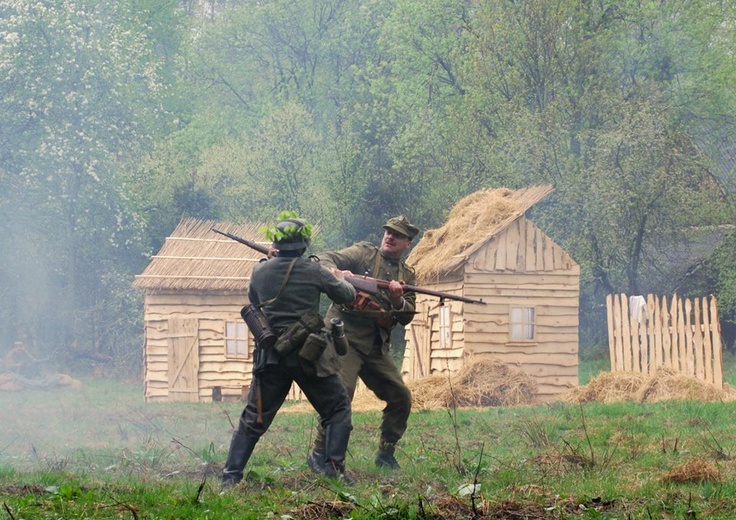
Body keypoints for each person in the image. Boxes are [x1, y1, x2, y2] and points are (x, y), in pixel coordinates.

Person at [221, 212, 357, 487]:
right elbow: (347, 296)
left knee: (254, 418)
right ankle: (333, 471)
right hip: (311, 354)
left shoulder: (260, 270)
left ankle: (230, 477)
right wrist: (340, 278)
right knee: (337, 409)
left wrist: (271, 264)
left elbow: (254, 298)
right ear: (304, 244)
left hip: (271, 355)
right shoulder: (315, 270)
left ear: (277, 245)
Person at [308, 215, 419, 471]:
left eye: (398, 235)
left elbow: (407, 315)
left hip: (375, 346)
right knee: (341, 395)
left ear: (408, 243)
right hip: (343, 338)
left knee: (401, 397)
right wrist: (338, 274)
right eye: (388, 232)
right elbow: (324, 257)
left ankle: (386, 455)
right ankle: (320, 454)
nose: (390, 237)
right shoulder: (363, 254)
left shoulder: (407, 275)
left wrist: (397, 300)